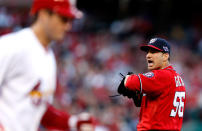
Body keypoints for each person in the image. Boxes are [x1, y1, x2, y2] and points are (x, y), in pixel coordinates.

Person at [0, 0, 95, 131]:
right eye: (63, 19)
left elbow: (39, 107)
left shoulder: (49, 57)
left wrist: (72, 122)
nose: (68, 26)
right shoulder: (11, 46)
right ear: (43, 14)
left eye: (70, 21)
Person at [117, 38, 186, 131]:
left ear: (165, 56)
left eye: (153, 52)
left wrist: (128, 78)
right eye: (147, 52)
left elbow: (130, 82)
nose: (148, 56)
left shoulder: (162, 75)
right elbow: (162, 104)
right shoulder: (178, 78)